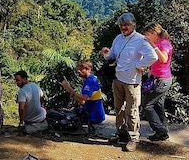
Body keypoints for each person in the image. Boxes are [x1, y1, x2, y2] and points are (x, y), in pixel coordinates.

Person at [101, 12, 158, 152]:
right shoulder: (118, 38)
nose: (124, 27)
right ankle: (122, 134)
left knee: (132, 111)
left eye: (127, 25)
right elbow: (113, 55)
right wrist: (106, 54)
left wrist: (139, 65)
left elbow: (153, 56)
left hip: (132, 81)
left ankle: (134, 138)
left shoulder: (140, 40)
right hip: (118, 78)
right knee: (118, 109)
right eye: (122, 25)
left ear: (133, 25)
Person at [141, 23, 173, 141]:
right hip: (158, 78)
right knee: (158, 104)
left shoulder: (164, 44)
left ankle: (161, 131)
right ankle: (163, 129)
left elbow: (163, 59)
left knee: (147, 105)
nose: (146, 37)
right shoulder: (160, 43)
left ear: (154, 34)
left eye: (147, 35)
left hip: (162, 80)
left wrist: (153, 45)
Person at [60, 60, 105, 128]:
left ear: (88, 69)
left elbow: (83, 101)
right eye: (78, 69)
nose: (78, 71)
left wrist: (69, 88)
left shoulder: (89, 82)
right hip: (96, 115)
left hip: (92, 117)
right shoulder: (92, 78)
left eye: (81, 69)